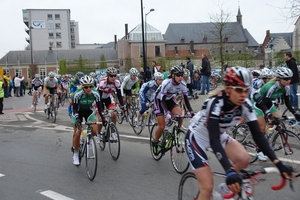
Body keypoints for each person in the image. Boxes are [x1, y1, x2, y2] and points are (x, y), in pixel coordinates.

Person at [185, 66, 295, 200]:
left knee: (244, 159)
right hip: (197, 138)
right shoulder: (215, 104)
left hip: (219, 135)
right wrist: (229, 171)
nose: (243, 94)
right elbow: (213, 140)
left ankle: (226, 189)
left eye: (246, 90)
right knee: (207, 188)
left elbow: (258, 136)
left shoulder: (246, 105)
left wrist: (278, 163)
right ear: (228, 89)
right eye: (239, 90)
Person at [251, 67, 300, 160]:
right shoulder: (271, 87)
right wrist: (269, 115)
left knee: (279, 121)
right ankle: (259, 150)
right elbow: (263, 104)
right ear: (279, 78)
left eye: (290, 78)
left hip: (267, 103)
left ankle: (268, 137)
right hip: (258, 103)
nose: (288, 81)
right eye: (286, 79)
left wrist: (295, 113)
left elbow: (287, 103)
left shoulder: (286, 88)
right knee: (262, 128)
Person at [152, 66, 194, 155]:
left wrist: (191, 112)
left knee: (180, 115)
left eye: (182, 75)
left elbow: (186, 100)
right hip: (160, 100)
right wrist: (167, 112)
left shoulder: (183, 84)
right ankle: (155, 143)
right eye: (178, 75)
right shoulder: (166, 83)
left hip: (170, 99)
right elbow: (162, 100)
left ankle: (177, 132)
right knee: (162, 126)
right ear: (173, 76)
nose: (180, 77)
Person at [71, 75, 106, 166]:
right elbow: (74, 109)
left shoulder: (96, 93)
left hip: (89, 112)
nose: (88, 88)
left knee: (94, 130)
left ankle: (88, 139)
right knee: (78, 132)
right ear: (82, 87)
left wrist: (103, 118)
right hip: (78, 112)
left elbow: (100, 107)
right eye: (86, 87)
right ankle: (75, 153)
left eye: (90, 86)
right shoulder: (77, 94)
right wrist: (78, 119)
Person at [97, 67, 124, 140]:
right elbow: (98, 97)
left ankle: (112, 132)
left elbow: (119, 95)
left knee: (114, 114)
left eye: (115, 75)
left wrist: (123, 106)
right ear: (107, 76)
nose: (113, 77)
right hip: (99, 99)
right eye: (111, 76)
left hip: (108, 98)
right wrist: (101, 110)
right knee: (101, 119)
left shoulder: (117, 82)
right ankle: (98, 134)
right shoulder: (103, 82)